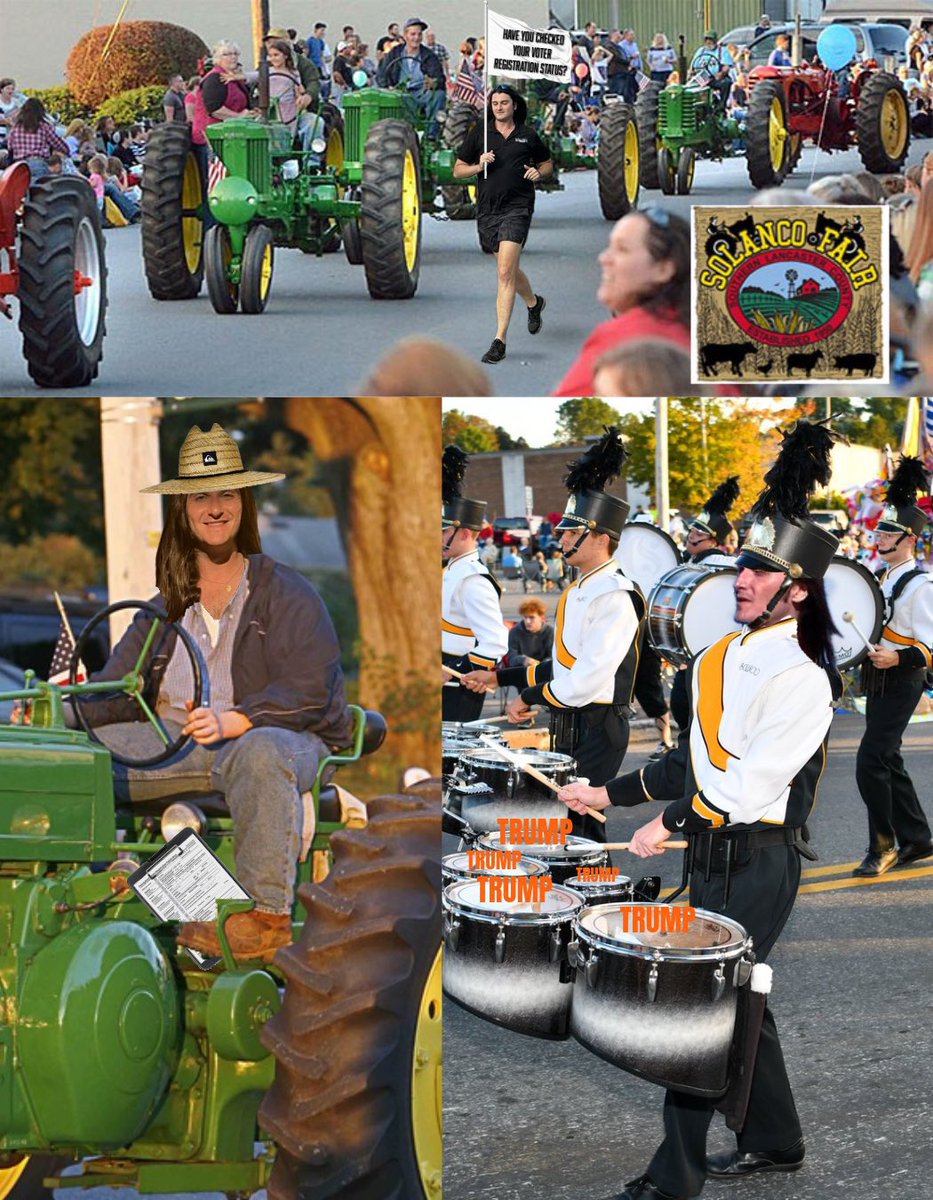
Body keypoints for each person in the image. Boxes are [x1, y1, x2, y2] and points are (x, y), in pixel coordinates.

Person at [559, 420, 843, 1200]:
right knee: (741, 1000)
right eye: (742, 566)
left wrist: (670, 824)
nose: (741, 580)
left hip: (760, 860)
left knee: (700, 1010)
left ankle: (671, 1180)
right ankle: (776, 1141)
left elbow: (748, 786)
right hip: (710, 855)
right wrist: (606, 796)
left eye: (760, 571)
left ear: (800, 589)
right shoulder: (718, 655)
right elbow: (689, 762)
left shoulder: (805, 677)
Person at [74, 424, 352, 963]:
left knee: (260, 750)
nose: (215, 507)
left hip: (283, 740)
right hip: (180, 745)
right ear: (183, 508)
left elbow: (311, 688)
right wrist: (54, 713)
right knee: (74, 760)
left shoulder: (285, 591)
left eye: (227, 493)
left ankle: (266, 918)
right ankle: (86, 891)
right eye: (201, 495)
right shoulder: (164, 607)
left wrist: (241, 718)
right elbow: (113, 690)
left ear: (244, 503)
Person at [463, 428, 644, 842]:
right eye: (562, 531)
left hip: (599, 725)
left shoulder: (614, 596)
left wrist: (528, 697)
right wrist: (500, 678)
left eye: (569, 532)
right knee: (564, 827)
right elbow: (562, 666)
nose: (559, 538)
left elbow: (585, 681)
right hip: (572, 718)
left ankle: (601, 899)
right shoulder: (581, 587)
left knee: (575, 826)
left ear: (599, 536)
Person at [853, 456, 933, 877]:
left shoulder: (920, 585)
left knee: (871, 759)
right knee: (889, 759)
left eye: (887, 531)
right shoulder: (880, 576)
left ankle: (882, 845)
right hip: (879, 675)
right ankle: (918, 837)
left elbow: (931, 645)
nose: (878, 536)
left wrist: (898, 656)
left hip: (903, 678)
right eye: (879, 529)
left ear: (908, 540)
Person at [454, 84, 553, 364]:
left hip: (518, 208)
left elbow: (547, 164)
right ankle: (534, 303)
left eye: (504, 102)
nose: (499, 107)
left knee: (504, 272)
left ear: (514, 106)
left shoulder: (527, 136)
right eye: (495, 103)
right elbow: (458, 169)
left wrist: (538, 173)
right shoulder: (481, 135)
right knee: (508, 269)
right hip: (487, 211)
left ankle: (499, 340)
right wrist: (478, 165)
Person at [554, 209, 690, 396]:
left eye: (622, 249)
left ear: (664, 269)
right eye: (610, 247)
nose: (604, 258)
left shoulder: (624, 339)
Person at [668, 476, 741, 733]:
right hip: (690, 651)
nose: (692, 536)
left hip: (719, 653)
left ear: (714, 541)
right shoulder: (688, 565)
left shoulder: (729, 568)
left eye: (700, 533)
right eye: (693, 530)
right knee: (683, 707)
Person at [442, 446, 508, 722]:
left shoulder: (473, 579)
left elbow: (495, 642)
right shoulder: (450, 569)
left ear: (465, 532)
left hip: (457, 685)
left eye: (443, 530)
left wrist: (452, 670)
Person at [377, 17, 447, 135]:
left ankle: (430, 135)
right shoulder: (394, 53)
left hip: (421, 93)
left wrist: (433, 82)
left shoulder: (429, 56)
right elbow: (381, 74)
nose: (416, 38)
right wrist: (387, 87)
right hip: (399, 92)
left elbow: (440, 78)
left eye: (419, 34)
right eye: (413, 34)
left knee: (439, 95)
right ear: (405, 36)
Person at [7, 97, 70, 181]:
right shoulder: (43, 127)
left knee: (24, 192)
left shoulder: (16, 128)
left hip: (19, 166)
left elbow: (10, 146)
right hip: (38, 163)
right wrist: (67, 151)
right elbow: (57, 143)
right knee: (40, 192)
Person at [690, 32, 734, 107]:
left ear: (715, 40)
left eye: (710, 39)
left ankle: (721, 106)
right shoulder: (701, 51)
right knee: (690, 87)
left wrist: (721, 73)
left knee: (726, 82)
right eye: (706, 39)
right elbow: (693, 66)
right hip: (702, 78)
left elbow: (726, 66)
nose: (708, 42)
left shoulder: (722, 51)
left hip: (715, 78)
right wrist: (691, 74)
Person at [507, 598, 554, 667]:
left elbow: (552, 657)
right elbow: (511, 659)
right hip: (520, 670)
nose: (527, 621)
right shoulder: (515, 632)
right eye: (525, 617)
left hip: (544, 670)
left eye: (532, 617)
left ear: (542, 618)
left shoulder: (550, 632)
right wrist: (523, 660)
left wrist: (541, 665)